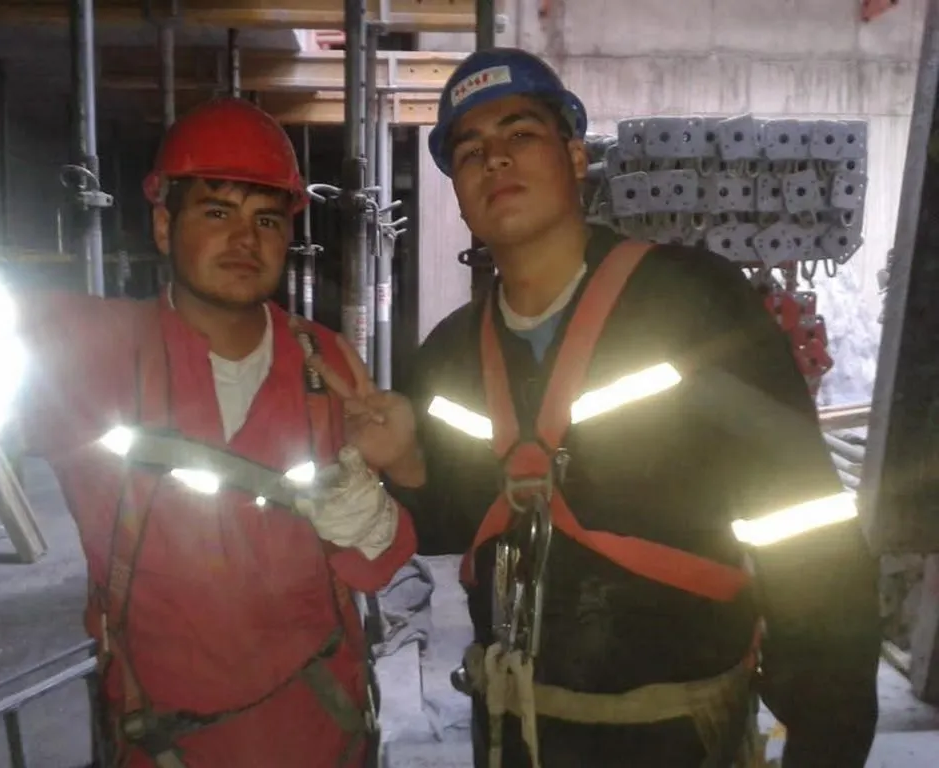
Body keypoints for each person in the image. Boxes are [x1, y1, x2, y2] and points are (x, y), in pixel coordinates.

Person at [311, 48, 881, 767]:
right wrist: (407, 465)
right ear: (456, 190)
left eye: (520, 135)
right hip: (520, 732)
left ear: (575, 157)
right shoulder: (452, 353)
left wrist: (826, 734)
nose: (495, 161)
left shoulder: (690, 304)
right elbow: (462, 518)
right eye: (470, 151)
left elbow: (804, 531)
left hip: (676, 740)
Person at [0, 98, 416, 768]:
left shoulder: (325, 365)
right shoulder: (91, 351)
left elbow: (376, 568)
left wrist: (381, 509)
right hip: (169, 744)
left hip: (322, 733)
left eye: (266, 219)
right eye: (217, 212)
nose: (245, 239)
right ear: (161, 224)